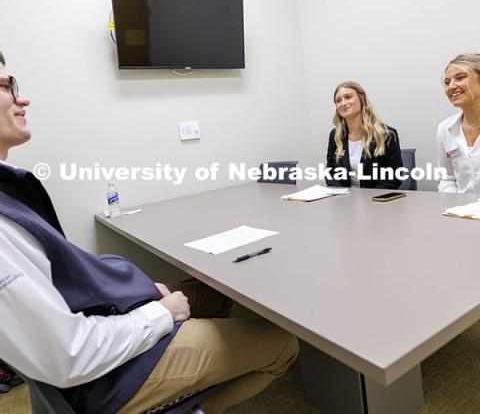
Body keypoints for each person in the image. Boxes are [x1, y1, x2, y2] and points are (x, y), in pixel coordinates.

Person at [0, 51, 298, 414]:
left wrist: (136, 293)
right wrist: (159, 313)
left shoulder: (11, 188)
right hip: (104, 377)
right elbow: (68, 354)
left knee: (213, 294)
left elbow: (64, 281)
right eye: (5, 85)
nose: (22, 98)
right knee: (283, 344)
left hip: (106, 323)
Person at [326, 81, 403, 189]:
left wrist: (368, 199)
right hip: (344, 200)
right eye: (338, 101)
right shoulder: (335, 136)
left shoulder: (386, 135)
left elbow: (393, 178)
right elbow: (330, 174)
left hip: (375, 200)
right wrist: (342, 196)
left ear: (361, 99)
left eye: (348, 97)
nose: (343, 103)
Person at [437, 53, 480, 193]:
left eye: (460, 78)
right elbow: (447, 179)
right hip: (462, 212)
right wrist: (456, 207)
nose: (451, 87)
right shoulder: (445, 129)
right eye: (447, 82)